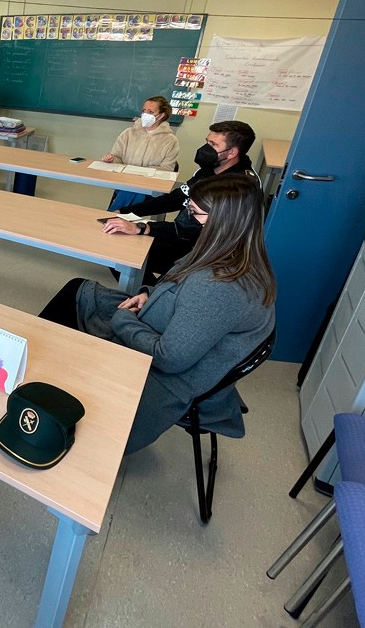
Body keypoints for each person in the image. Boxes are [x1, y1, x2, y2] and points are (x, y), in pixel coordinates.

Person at [39, 173, 275, 454]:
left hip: (160, 370)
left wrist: (123, 319)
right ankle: (43, 375)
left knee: (67, 322)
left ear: (220, 221)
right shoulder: (231, 253)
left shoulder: (219, 286)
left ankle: (44, 390)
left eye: (194, 212)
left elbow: (168, 358)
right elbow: (180, 285)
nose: (188, 216)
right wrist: (148, 292)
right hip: (160, 323)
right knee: (77, 290)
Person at [105, 120, 258, 285]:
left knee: (124, 255)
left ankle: (153, 298)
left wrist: (143, 228)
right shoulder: (209, 170)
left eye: (213, 144)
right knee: (120, 249)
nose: (206, 148)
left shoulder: (238, 187)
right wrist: (126, 212)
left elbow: (195, 229)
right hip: (183, 234)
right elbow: (175, 199)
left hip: (203, 250)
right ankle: (152, 294)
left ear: (232, 152)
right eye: (207, 141)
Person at [102, 95, 180, 211]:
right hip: (125, 181)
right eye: (144, 111)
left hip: (150, 185)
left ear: (161, 115)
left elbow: (167, 169)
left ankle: (114, 215)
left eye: (151, 111)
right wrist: (111, 159)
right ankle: (120, 216)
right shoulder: (128, 133)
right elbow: (117, 157)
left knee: (132, 191)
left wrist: (139, 176)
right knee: (129, 190)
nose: (145, 114)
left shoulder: (170, 140)